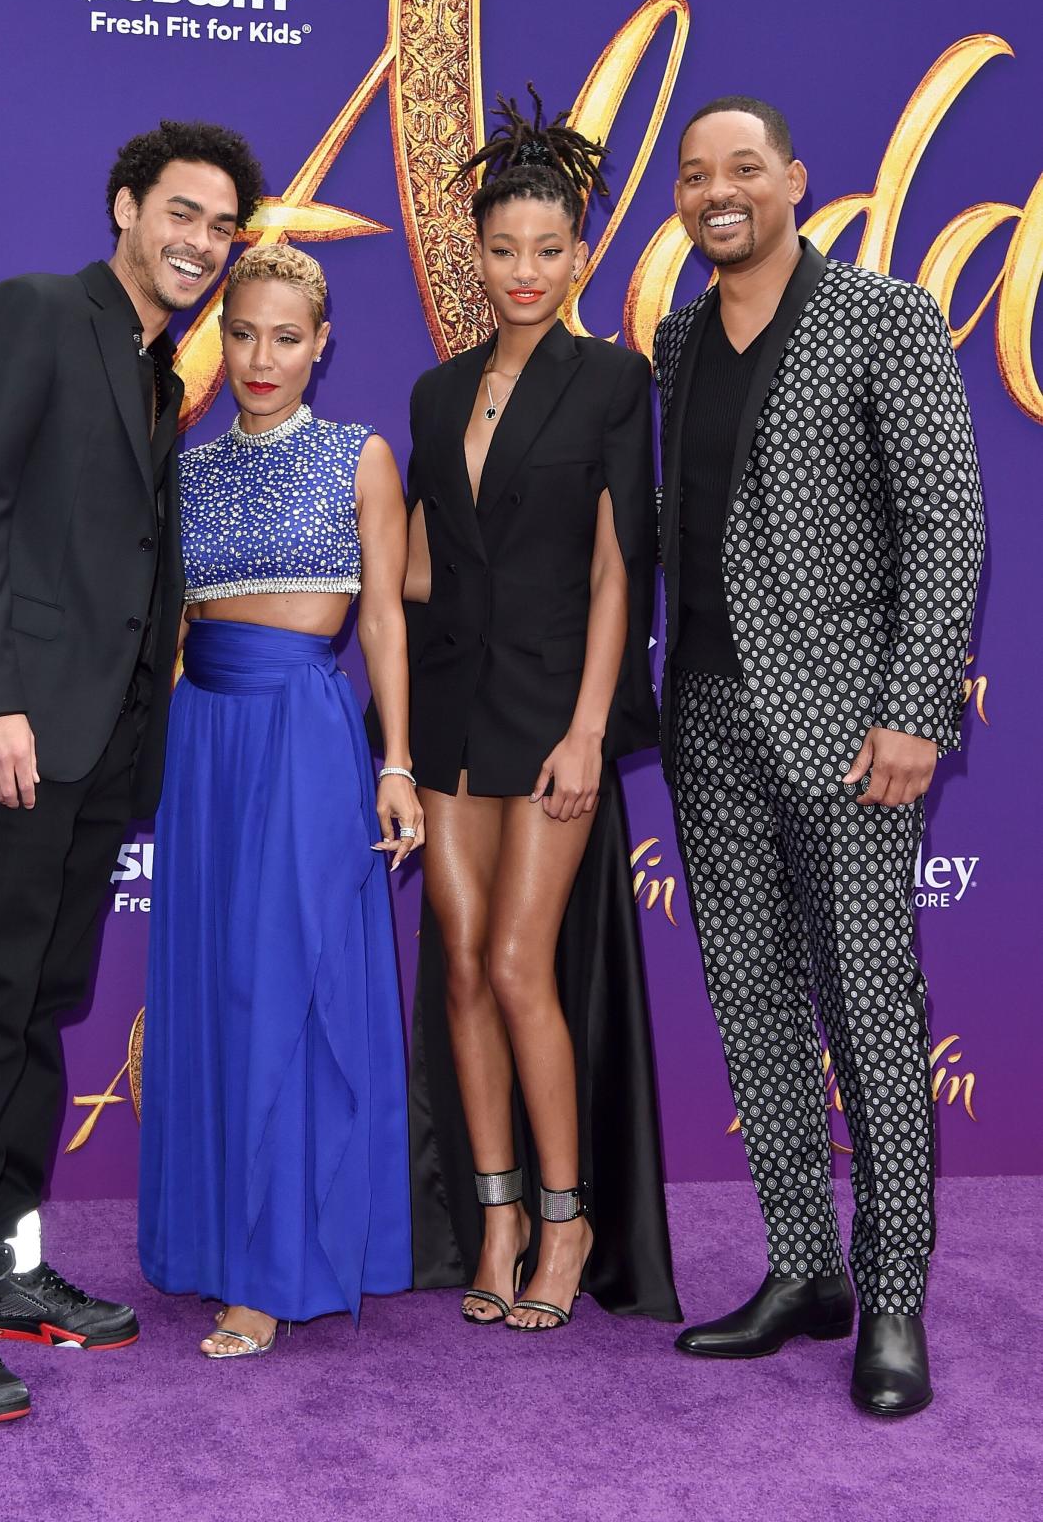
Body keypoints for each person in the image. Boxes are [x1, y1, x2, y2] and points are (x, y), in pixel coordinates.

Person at [0, 121, 264, 1424]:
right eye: (183, 213)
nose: (202, 243)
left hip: (94, 744)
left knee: (41, 1000)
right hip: (13, 730)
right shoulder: (33, 311)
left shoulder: (157, 368)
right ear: (125, 206)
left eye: (222, 226)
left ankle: (2, 1262)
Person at [656, 96, 984, 1415]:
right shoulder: (678, 334)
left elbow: (944, 515)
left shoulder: (883, 317)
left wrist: (912, 709)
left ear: (793, 179)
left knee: (867, 1010)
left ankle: (890, 1298)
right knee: (750, 1003)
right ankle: (804, 1271)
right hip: (708, 718)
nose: (717, 191)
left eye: (742, 168)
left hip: (851, 727)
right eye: (694, 175)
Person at [399, 88, 680, 1331]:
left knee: (520, 963)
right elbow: (413, 565)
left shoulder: (616, 383)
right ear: (478, 249)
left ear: (580, 255)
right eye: (501, 248)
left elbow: (625, 568)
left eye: (546, 249)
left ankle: (566, 1224)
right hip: (453, 709)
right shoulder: (431, 393)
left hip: (552, 714)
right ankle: (497, 1210)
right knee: (460, 964)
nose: (523, 270)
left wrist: (589, 726)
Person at [137, 244, 417, 1357]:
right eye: (243, 333)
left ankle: (273, 1271)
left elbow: (387, 620)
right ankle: (216, 1244)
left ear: (322, 343)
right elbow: (168, 631)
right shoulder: (188, 468)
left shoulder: (360, 456)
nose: (261, 357)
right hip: (205, 739)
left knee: (289, 984)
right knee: (217, 988)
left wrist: (396, 761)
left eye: (285, 337)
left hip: (305, 735)